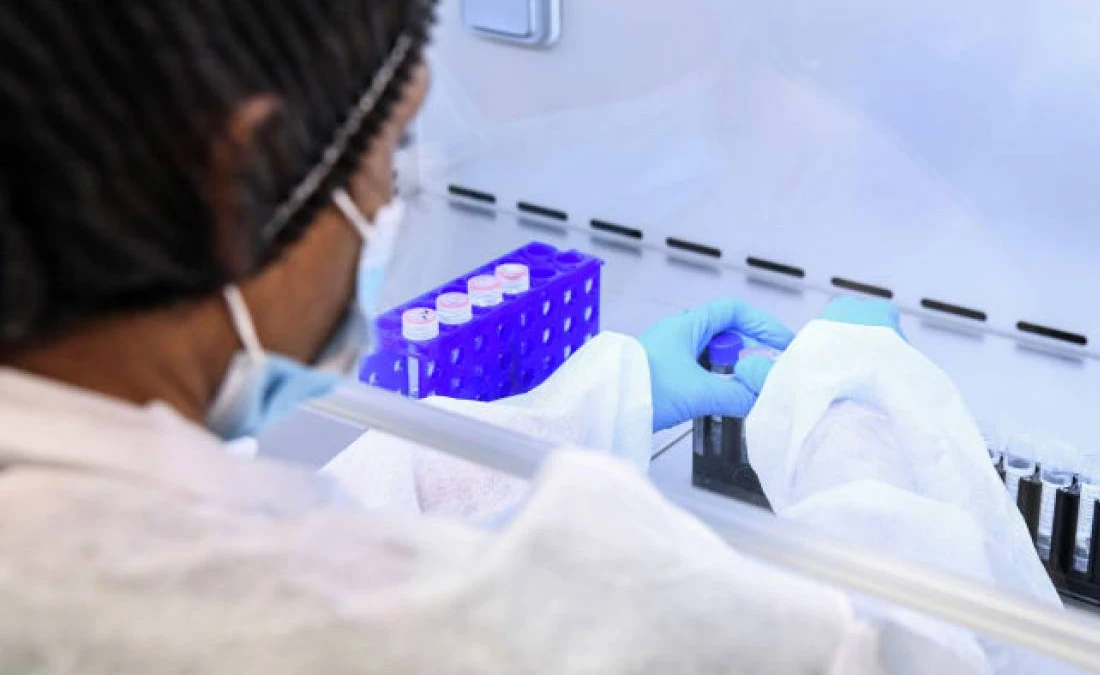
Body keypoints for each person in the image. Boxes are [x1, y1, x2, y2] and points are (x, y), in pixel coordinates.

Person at [0, 2, 907, 673]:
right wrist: (855, 405)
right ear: (243, 181)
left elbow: (332, 510)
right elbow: (891, 655)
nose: (388, 203)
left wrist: (614, 392)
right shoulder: (345, 630)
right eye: (390, 153)